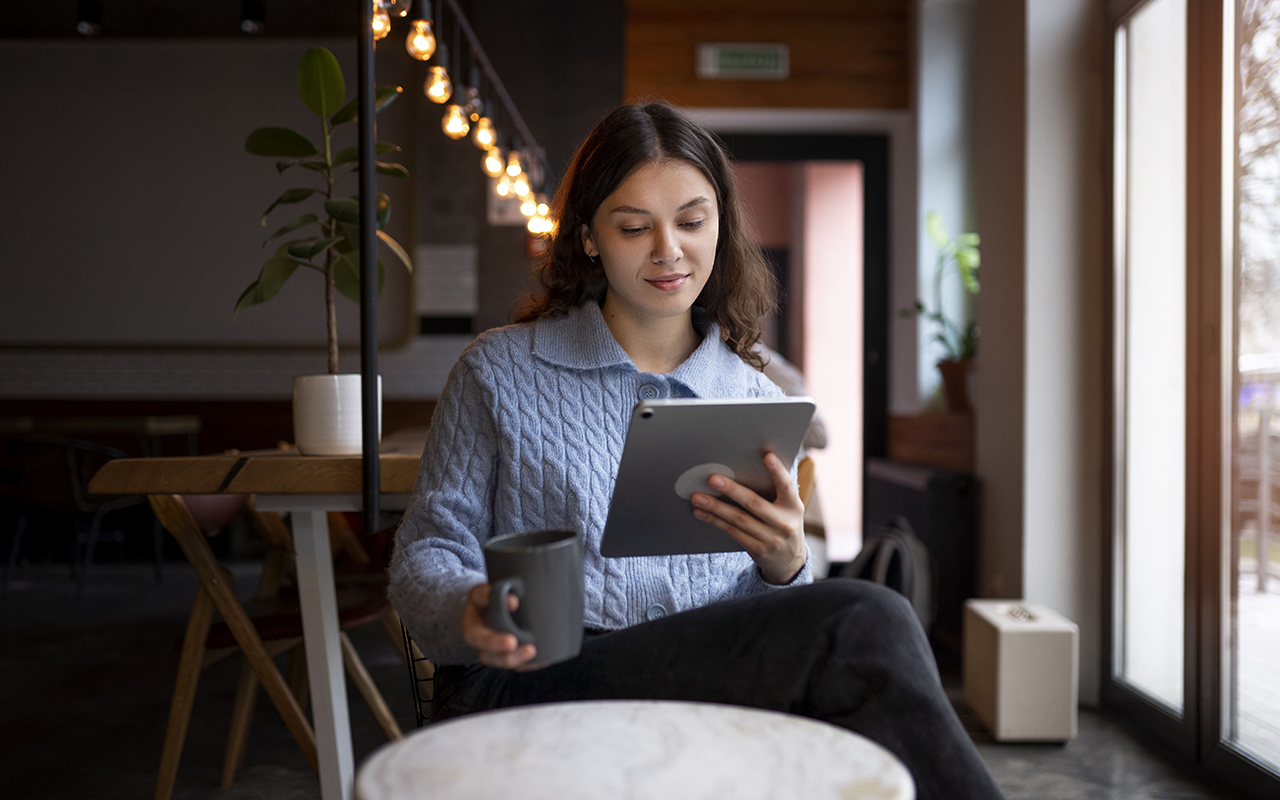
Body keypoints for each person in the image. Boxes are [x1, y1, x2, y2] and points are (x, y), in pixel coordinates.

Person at [389, 102, 1003, 800]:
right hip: (530, 677)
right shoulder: (498, 371)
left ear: (720, 224)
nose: (668, 251)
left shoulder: (758, 400)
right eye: (632, 226)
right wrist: (470, 606)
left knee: (862, 634)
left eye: (690, 221)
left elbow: (764, 623)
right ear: (589, 236)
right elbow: (424, 553)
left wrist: (786, 565)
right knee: (871, 619)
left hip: (694, 680)